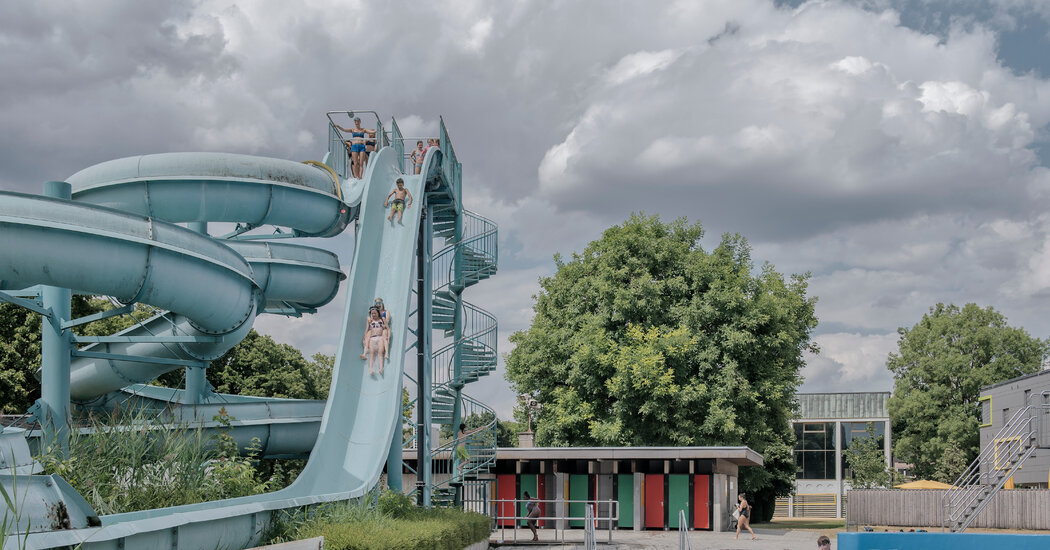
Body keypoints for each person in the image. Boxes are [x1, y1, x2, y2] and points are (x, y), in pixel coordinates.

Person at [360, 306, 387, 375]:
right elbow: (367, 329)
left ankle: (381, 368)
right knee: (372, 353)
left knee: (380, 352)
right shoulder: (370, 321)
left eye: (375, 313)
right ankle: (371, 369)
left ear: (378, 313)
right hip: (372, 338)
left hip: (380, 337)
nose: (374, 315)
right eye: (372, 313)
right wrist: (364, 338)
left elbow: (386, 326)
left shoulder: (381, 319)